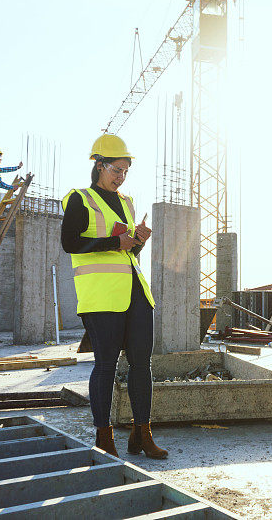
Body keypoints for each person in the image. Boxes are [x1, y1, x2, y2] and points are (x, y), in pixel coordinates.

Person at [60, 133, 166, 460]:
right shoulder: (80, 199)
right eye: (116, 170)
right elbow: (70, 243)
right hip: (101, 296)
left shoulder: (127, 202)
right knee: (106, 366)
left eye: (125, 171)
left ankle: (141, 434)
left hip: (135, 291)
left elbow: (127, 251)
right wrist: (114, 243)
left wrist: (139, 240)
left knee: (141, 365)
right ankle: (104, 437)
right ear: (99, 165)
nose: (121, 177)